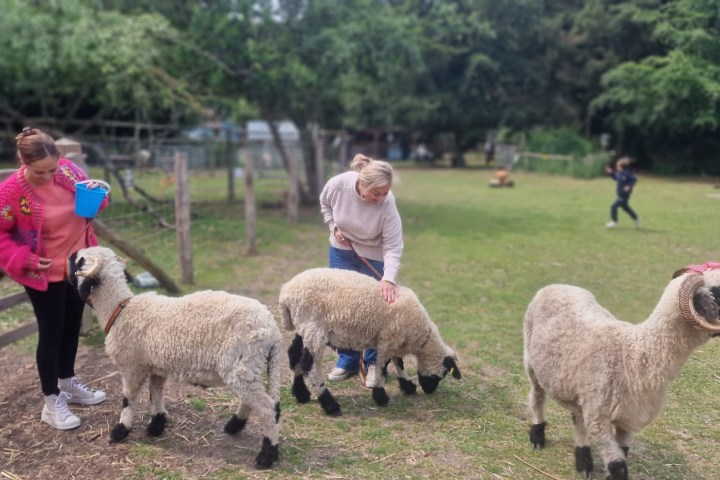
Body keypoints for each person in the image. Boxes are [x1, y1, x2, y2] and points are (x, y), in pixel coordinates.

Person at [0, 127, 108, 430]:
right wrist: (25, 258)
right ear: (23, 160)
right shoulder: (10, 192)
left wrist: (98, 198)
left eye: (52, 169)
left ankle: (67, 382)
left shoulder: (68, 170)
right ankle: (51, 401)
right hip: (42, 271)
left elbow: (90, 204)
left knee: (72, 326)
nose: (49, 176)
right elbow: (1, 234)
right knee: (51, 332)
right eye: (40, 172)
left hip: (77, 265)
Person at [319, 153, 403, 388]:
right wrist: (333, 226)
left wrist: (388, 279)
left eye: (385, 192)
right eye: (376, 193)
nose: (382, 198)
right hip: (342, 250)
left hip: (374, 256)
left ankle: (374, 362)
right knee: (343, 306)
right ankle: (347, 359)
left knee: (375, 309)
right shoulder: (338, 184)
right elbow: (325, 203)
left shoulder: (387, 203)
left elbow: (394, 246)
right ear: (361, 184)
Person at [605, 156, 640, 228]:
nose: (616, 167)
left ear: (621, 166)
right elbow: (615, 178)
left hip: (624, 195)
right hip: (620, 194)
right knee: (625, 208)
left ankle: (614, 221)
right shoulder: (619, 173)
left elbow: (634, 179)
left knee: (613, 207)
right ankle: (636, 218)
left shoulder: (627, 173)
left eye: (617, 166)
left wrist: (629, 186)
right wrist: (610, 173)